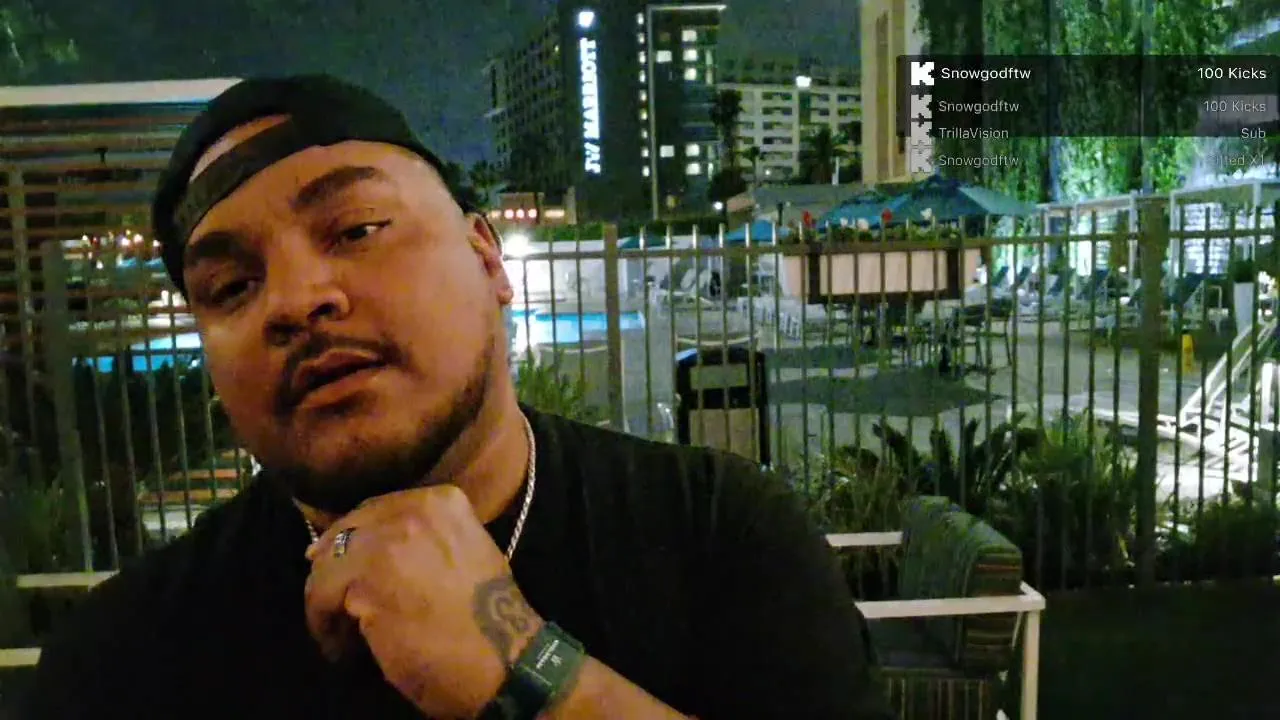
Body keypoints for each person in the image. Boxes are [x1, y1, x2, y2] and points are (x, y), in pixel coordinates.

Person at [22, 75, 893, 720]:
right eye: (231, 286)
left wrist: (529, 674)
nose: (294, 299)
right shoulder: (126, 660)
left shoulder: (721, 540)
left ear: (486, 258)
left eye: (357, 228)